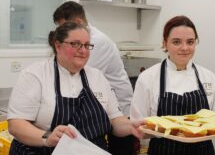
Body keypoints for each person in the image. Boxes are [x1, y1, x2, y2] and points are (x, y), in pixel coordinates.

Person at [7, 22, 144, 155]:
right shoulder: (35, 75)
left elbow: (115, 120)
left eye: (86, 45)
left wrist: (132, 127)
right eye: (75, 44)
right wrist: (47, 137)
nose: (83, 50)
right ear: (58, 46)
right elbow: (16, 124)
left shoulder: (97, 77)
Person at [130, 15, 215, 155]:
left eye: (190, 42)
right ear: (165, 43)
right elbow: (139, 125)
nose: (184, 48)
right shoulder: (148, 78)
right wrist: (151, 131)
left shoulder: (209, 77)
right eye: (176, 42)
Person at [53, 1, 135, 155]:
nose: (61, 32)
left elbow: (78, 73)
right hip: (101, 109)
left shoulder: (96, 42)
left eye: (63, 27)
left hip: (118, 110)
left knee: (120, 149)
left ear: (77, 22)